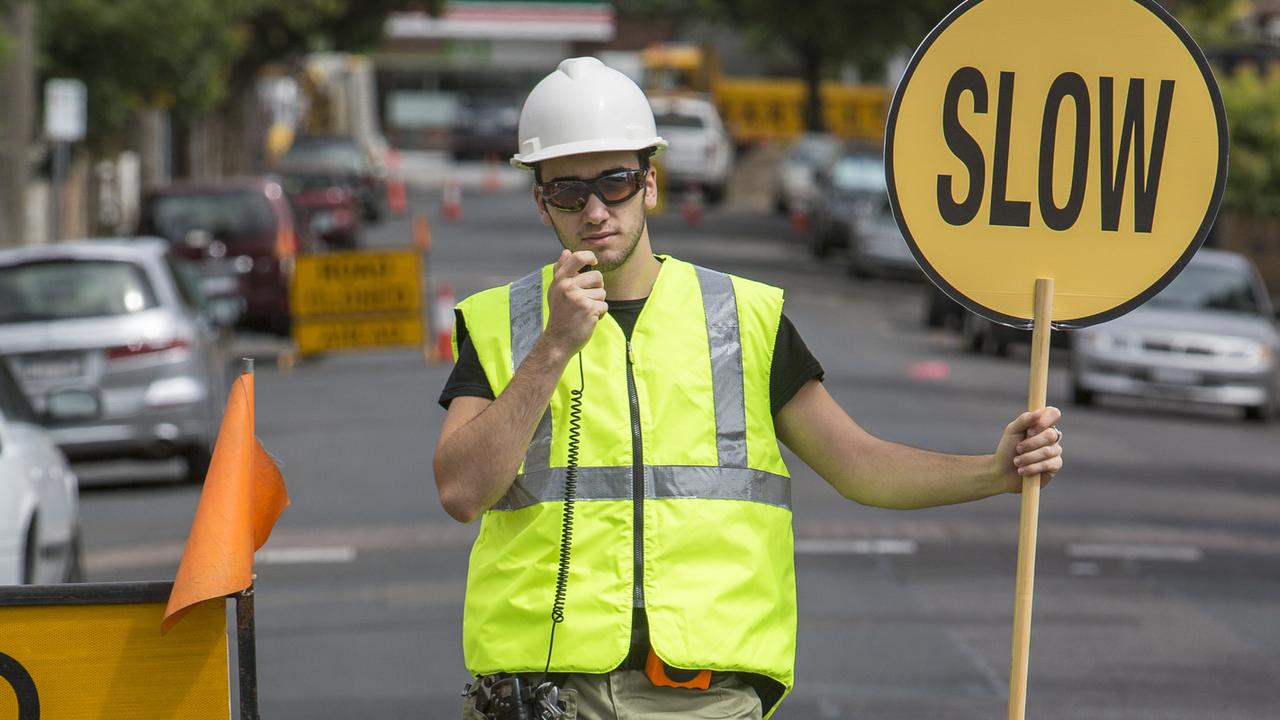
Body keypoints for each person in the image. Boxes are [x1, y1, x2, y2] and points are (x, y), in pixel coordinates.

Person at [433, 57, 1064, 720]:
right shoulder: (506, 322)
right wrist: (553, 349)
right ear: (542, 203)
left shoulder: (743, 316)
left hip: (705, 700)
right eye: (567, 191)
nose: (594, 209)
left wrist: (993, 472)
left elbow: (858, 463)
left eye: (614, 182)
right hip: (544, 696)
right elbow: (460, 491)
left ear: (650, 183)